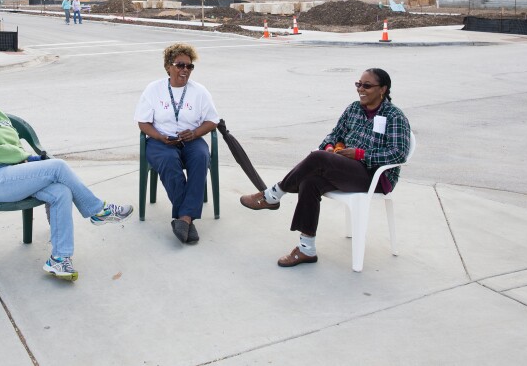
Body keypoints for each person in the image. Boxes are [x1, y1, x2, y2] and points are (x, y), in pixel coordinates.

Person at [0, 64, 133, 281]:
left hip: (14, 173)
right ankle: (98, 210)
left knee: (61, 191)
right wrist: (21, 157)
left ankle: (59, 259)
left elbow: (14, 145)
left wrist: (22, 158)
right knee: (58, 166)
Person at [240, 68, 411, 267]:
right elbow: (333, 135)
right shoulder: (354, 109)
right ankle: (306, 249)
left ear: (383, 89)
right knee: (310, 181)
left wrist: (360, 154)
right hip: (346, 169)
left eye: (367, 86)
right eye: (358, 84)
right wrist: (331, 147)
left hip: (375, 177)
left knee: (318, 158)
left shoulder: (394, 116)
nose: (361, 90)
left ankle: (272, 195)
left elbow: (398, 153)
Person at [134, 43, 220, 244]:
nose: (185, 70)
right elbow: (142, 122)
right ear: (168, 66)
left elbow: (212, 120)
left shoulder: (200, 91)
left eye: (189, 66)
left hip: (191, 139)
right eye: (180, 65)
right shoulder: (153, 89)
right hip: (161, 140)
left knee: (200, 157)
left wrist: (196, 132)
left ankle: (184, 218)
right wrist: (158, 137)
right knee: (168, 160)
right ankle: (187, 217)